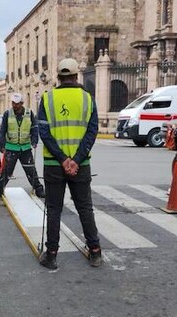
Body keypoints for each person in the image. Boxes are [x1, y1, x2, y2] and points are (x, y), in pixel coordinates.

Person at [37, 58, 102, 270]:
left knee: (54, 209)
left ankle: (52, 255)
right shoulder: (87, 99)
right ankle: (95, 252)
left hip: (54, 165)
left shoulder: (47, 99)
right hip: (80, 165)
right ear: (76, 76)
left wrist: (62, 159)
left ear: (58, 76)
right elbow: (92, 132)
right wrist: (76, 159)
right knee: (85, 207)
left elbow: (44, 133)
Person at [0, 92, 45, 199]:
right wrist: (2, 145)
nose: (14, 105)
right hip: (11, 147)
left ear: (22, 103)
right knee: (6, 171)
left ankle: (39, 189)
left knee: (31, 170)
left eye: (16, 103)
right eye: (13, 103)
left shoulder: (29, 113)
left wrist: (34, 141)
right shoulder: (8, 113)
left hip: (25, 147)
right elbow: (3, 130)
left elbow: (34, 128)